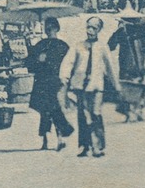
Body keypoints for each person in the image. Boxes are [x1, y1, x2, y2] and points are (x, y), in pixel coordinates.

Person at [62, 16, 122, 158]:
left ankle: (98, 146)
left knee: (95, 114)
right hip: (81, 86)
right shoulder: (78, 46)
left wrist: (116, 85)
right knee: (82, 116)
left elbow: (110, 68)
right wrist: (64, 76)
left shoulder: (102, 47)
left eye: (94, 28)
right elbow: (68, 62)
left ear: (99, 30)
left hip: (96, 86)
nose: (90, 30)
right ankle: (84, 146)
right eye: (88, 27)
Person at [26, 17, 74, 151]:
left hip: (56, 81)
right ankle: (48, 139)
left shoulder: (63, 46)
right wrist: (37, 58)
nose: (49, 30)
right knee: (45, 111)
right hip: (42, 82)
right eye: (47, 27)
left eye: (52, 27)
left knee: (52, 109)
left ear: (57, 28)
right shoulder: (41, 45)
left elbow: (71, 64)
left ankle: (57, 138)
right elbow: (30, 65)